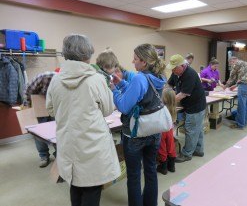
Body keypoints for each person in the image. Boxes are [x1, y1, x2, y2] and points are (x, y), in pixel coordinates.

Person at [46, 34, 120, 206]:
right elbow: (108, 109)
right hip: (92, 144)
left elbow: (50, 109)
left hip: (68, 141)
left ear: (65, 54)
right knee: (92, 187)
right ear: (88, 54)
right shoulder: (96, 80)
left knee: (75, 183)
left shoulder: (56, 80)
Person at [111, 43, 166, 206]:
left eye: (135, 59)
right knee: (150, 171)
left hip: (135, 134)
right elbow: (141, 93)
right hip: (154, 131)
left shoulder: (139, 78)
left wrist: (114, 89)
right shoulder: (159, 77)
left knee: (134, 175)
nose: (132, 61)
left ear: (144, 62)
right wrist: (121, 83)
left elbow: (124, 106)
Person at [167, 54, 206, 163]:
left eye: (175, 68)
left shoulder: (190, 74)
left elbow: (183, 94)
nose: (173, 71)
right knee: (197, 129)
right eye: (172, 69)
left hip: (196, 106)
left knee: (191, 130)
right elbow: (169, 85)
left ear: (182, 66)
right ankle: (198, 150)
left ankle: (187, 154)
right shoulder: (176, 72)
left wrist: (167, 102)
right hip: (188, 105)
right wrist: (165, 93)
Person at [23, 71, 58, 168]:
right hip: (38, 104)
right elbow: (27, 91)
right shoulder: (44, 77)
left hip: (54, 105)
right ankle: (44, 156)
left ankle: (58, 155)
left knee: (56, 132)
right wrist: (28, 108)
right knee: (39, 133)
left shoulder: (63, 82)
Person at [223, 56, 247, 129]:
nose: (231, 65)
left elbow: (232, 77)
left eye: (230, 64)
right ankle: (244, 123)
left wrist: (225, 86)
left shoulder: (235, 65)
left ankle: (240, 125)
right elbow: (245, 77)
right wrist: (235, 85)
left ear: (232, 61)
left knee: (241, 107)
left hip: (243, 87)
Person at [157, 88, 177, 175]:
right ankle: (172, 166)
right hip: (170, 129)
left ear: (164, 98)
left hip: (161, 130)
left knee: (162, 148)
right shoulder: (173, 107)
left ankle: (163, 167)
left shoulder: (161, 108)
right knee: (170, 146)